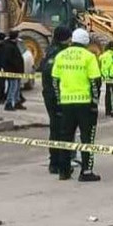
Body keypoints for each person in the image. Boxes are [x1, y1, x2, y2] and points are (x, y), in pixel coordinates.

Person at [53, 28, 102, 182]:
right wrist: (95, 103)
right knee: (87, 138)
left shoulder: (61, 56)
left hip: (66, 103)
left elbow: (55, 81)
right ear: (86, 42)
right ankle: (86, 171)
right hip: (84, 104)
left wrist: (59, 101)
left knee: (65, 137)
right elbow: (95, 82)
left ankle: (64, 171)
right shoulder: (89, 56)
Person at [40, 26, 72, 175]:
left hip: (52, 95)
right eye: (69, 38)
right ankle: (57, 162)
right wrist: (58, 98)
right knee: (59, 129)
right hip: (55, 97)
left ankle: (57, 160)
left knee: (57, 129)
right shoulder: (57, 53)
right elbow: (50, 75)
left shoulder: (53, 49)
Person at [0, 30, 26, 111]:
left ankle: (17, 102)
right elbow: (10, 60)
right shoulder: (9, 47)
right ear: (15, 37)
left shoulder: (12, 45)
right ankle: (9, 103)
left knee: (17, 88)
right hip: (13, 71)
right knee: (13, 88)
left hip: (17, 71)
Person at [98, 39, 113, 117]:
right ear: (112, 47)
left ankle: (108, 110)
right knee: (111, 94)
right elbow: (105, 66)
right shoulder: (109, 55)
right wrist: (108, 75)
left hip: (111, 77)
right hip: (110, 77)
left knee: (109, 93)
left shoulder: (112, 54)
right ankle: (112, 110)